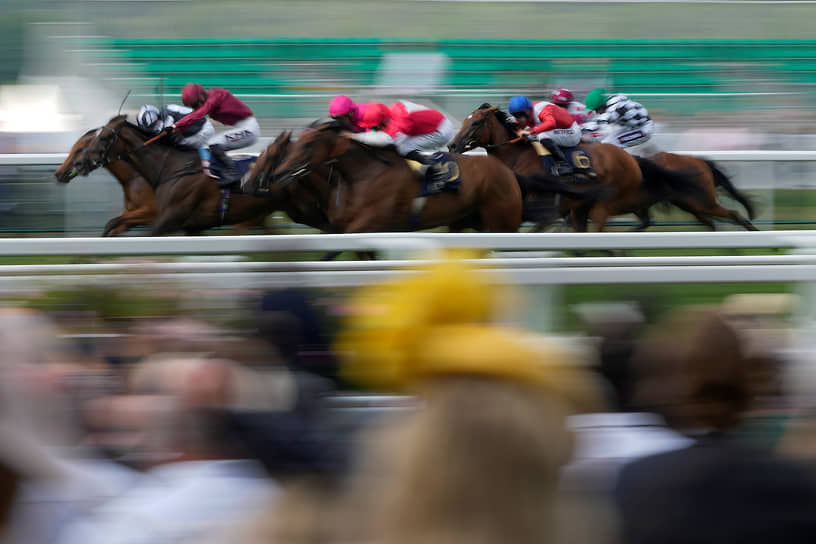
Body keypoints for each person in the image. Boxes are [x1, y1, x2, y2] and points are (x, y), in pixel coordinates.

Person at [173, 83, 261, 185]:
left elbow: (198, 114)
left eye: (196, 104)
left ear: (201, 95)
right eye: (193, 106)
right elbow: (196, 115)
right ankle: (223, 171)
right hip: (244, 127)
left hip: (250, 129)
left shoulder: (216, 94)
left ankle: (233, 173)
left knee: (213, 142)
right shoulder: (208, 101)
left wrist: (176, 126)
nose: (196, 107)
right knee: (211, 145)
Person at [508, 94, 581, 177]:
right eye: (514, 115)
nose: (516, 118)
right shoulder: (527, 114)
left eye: (518, 115)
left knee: (542, 135)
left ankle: (564, 165)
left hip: (572, 132)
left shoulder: (541, 110)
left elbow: (551, 123)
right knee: (531, 136)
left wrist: (530, 132)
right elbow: (517, 128)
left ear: (527, 111)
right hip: (558, 130)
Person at [582, 88, 655, 152]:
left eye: (596, 109)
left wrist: (581, 131)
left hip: (643, 130)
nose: (597, 112)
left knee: (609, 144)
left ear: (602, 105)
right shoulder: (612, 102)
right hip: (633, 127)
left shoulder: (615, 109)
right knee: (606, 142)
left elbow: (600, 122)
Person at [136, 104, 214, 149]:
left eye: (153, 125)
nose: (154, 128)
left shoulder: (170, 112)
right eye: (151, 127)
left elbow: (172, 128)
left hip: (202, 130)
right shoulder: (161, 123)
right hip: (190, 133)